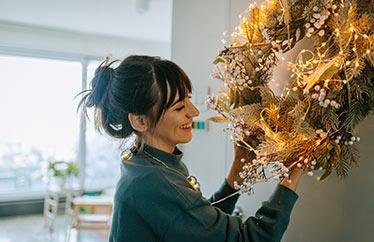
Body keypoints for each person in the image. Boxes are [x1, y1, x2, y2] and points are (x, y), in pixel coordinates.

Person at [78, 55, 303, 242]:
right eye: (179, 107)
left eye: (188, 99)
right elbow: (249, 239)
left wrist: (237, 168)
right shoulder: (154, 182)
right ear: (140, 121)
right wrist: (292, 176)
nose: (194, 112)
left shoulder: (146, 163)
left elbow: (198, 223)